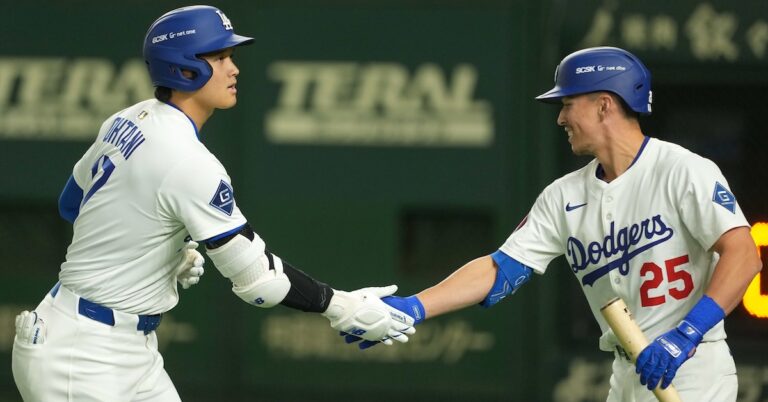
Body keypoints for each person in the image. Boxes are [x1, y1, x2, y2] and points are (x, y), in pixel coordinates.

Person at [11, 6, 414, 402]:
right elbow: (258, 280)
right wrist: (341, 306)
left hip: (121, 347)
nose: (233, 69)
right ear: (183, 68)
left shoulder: (128, 118)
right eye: (219, 57)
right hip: (80, 358)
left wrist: (157, 250)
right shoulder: (189, 160)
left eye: (231, 56)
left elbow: (72, 203)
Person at [348, 47, 762, 401]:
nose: (560, 118)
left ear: (604, 104)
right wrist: (416, 307)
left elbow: (743, 256)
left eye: (568, 104)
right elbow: (501, 269)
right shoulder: (563, 196)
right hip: (626, 374)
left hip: (694, 368)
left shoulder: (682, 169)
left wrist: (685, 335)